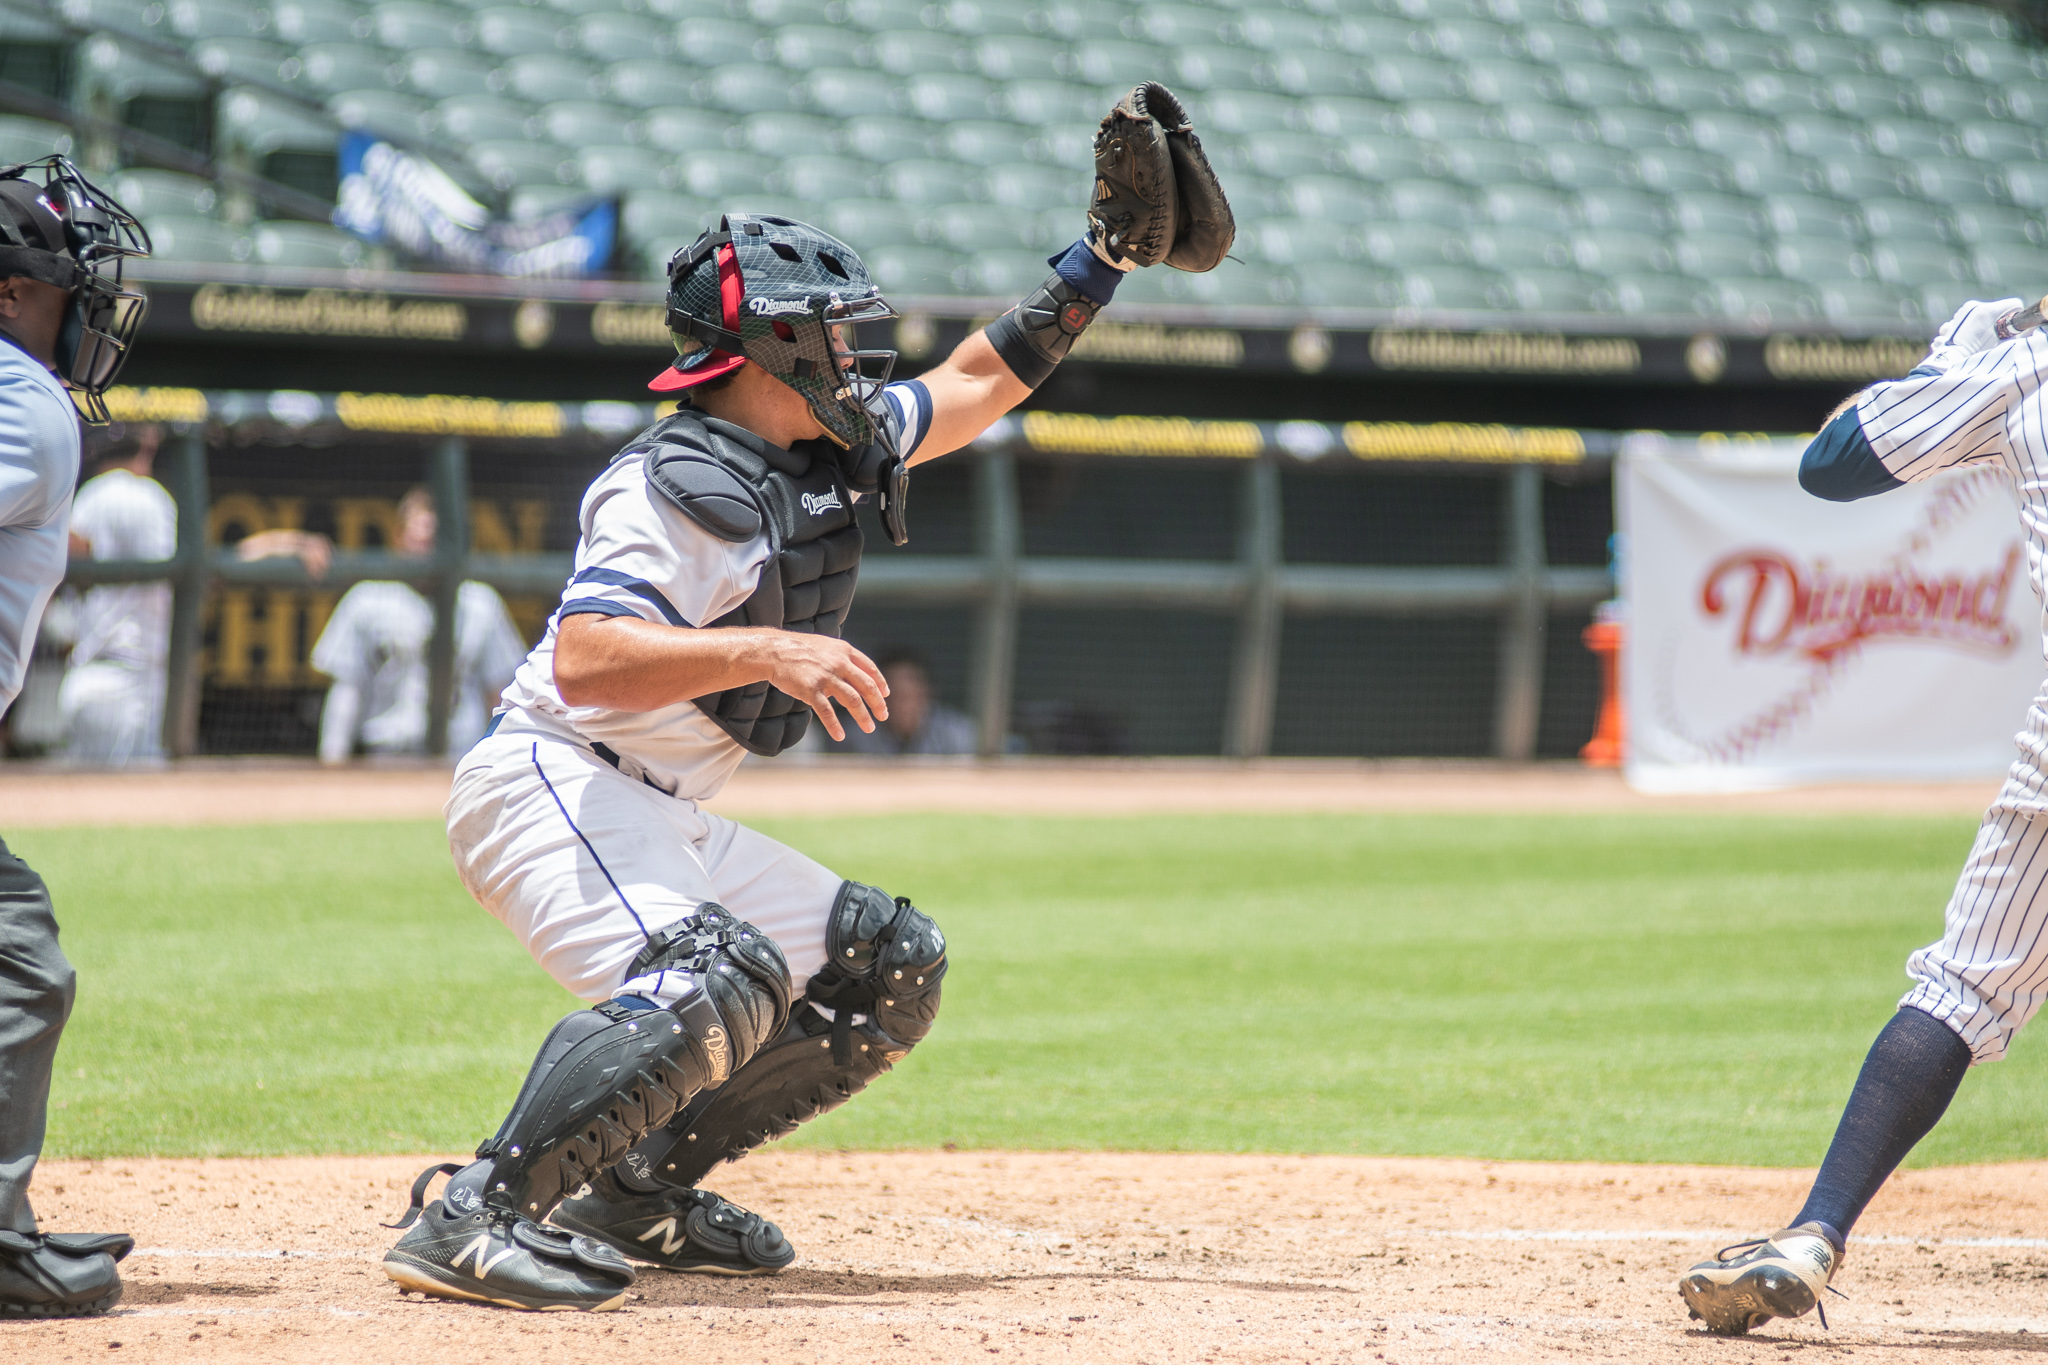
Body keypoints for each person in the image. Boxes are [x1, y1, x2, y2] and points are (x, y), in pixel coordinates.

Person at [378, 84, 1233, 1311]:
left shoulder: (829, 441)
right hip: (552, 785)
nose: (851, 354)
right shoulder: (668, 486)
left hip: (660, 805)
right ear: (768, 346)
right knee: (712, 977)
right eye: (828, 335)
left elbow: (981, 378)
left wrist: (1097, 262)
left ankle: (633, 1192)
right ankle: (473, 1214)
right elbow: (585, 657)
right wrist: (767, 652)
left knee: (887, 964)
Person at [1678, 297, 2048, 1334]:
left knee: (1964, 989)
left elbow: (1832, 463)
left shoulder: (2022, 368)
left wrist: (1948, 361)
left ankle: (1815, 1231)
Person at [0, 156, 149, 1317]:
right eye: (69, 281)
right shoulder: (24, 396)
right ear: (12, 291)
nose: (91, 303)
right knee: (20, 964)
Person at [310, 486, 526, 763]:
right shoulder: (367, 599)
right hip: (386, 758)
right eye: (420, 540)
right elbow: (346, 691)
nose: (428, 551)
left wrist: (502, 763)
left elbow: (500, 696)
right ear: (399, 537)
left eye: (437, 541)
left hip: (462, 758)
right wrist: (332, 760)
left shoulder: (481, 602)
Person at [829, 650, 976, 755]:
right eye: (895, 696)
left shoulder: (955, 732)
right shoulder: (854, 735)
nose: (903, 706)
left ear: (926, 694)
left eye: (909, 696)